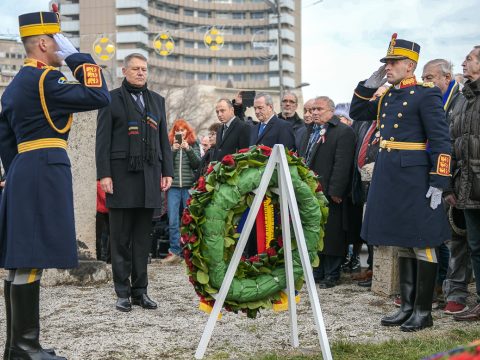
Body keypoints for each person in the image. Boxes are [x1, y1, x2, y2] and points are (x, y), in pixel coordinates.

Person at [0, 10, 110, 359]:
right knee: (30, 257)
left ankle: (17, 346)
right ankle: (25, 347)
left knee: (21, 259)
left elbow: (4, 137)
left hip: (22, 168)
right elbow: (99, 95)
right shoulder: (46, 80)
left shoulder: (16, 84)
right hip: (45, 168)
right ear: (46, 43)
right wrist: (77, 57)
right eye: (57, 41)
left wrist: (12, 172)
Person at [350, 33, 451, 331]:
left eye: (393, 62)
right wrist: (369, 85)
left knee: (423, 240)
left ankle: (423, 311)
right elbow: (357, 113)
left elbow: (442, 141)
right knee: (403, 241)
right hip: (391, 174)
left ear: (410, 66)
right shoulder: (387, 95)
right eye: (387, 62)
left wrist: (439, 180)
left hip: (416, 176)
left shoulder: (426, 93)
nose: (388, 67)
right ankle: (406, 306)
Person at [96, 53, 173, 312]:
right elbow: (102, 141)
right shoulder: (110, 99)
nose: (141, 73)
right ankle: (122, 292)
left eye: (144, 69)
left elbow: (164, 140)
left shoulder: (157, 101)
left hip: (149, 178)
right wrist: (104, 175)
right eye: (136, 69)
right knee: (119, 239)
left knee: (142, 240)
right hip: (120, 178)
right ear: (124, 71)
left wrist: (168, 172)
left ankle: (141, 291)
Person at [421, 58, 466, 314]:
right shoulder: (430, 102)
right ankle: (436, 286)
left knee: (456, 240)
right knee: (435, 236)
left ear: (446, 78)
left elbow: (452, 144)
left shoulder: (459, 101)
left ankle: (454, 291)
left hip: (456, 178)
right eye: (424, 77)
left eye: (430, 77)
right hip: (434, 178)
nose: (425, 82)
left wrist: (447, 183)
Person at [299, 96, 355, 289]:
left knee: (332, 234)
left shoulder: (342, 131)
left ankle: (332, 273)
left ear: (331, 111)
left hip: (330, 192)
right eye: (312, 109)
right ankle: (318, 270)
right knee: (316, 231)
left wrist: (336, 190)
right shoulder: (308, 131)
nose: (314, 112)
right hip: (310, 191)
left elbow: (342, 163)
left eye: (319, 109)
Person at [447, 46, 480, 322]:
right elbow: (451, 145)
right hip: (467, 188)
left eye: (469, 58)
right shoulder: (461, 101)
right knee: (476, 247)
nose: (463, 62)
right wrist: (448, 185)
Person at [163, 119, 201, 265]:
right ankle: (174, 251)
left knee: (189, 220)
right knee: (173, 220)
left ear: (188, 131)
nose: (180, 132)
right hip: (173, 187)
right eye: (177, 130)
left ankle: (189, 251)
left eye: (183, 130)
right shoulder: (170, 145)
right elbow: (166, 164)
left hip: (188, 187)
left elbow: (197, 163)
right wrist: (173, 150)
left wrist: (188, 149)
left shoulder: (193, 143)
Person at [96, 180, 110, 262]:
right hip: (101, 210)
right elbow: (104, 197)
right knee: (100, 236)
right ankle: (101, 256)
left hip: (103, 210)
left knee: (104, 236)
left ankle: (104, 256)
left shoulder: (98, 183)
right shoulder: (98, 184)